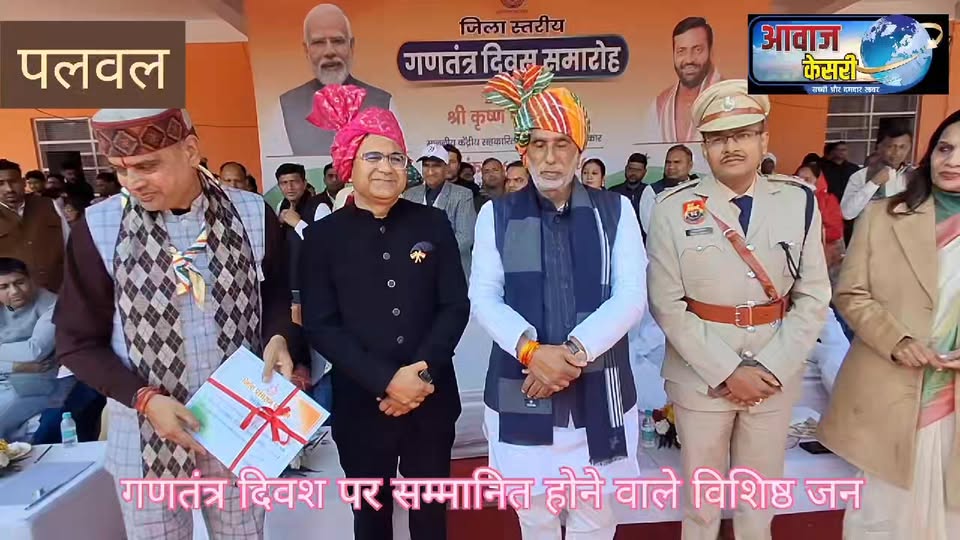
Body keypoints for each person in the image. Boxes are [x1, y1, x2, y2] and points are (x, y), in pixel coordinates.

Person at [55, 108, 297, 540]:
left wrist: (278, 336)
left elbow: (276, 291)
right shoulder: (100, 227)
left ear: (190, 150)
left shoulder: (250, 212)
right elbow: (76, 341)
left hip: (237, 429)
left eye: (147, 166)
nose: (133, 182)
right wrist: (146, 400)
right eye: (122, 169)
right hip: (147, 437)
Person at [646, 79, 831, 540]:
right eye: (718, 138)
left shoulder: (798, 202)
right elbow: (666, 303)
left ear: (763, 139)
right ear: (703, 147)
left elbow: (813, 295)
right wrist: (728, 371)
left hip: (774, 375)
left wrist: (771, 366)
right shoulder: (671, 208)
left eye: (743, 134)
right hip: (702, 379)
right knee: (702, 508)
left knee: (758, 506)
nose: (731, 146)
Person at [475, 65, 646, 539]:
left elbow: (631, 296)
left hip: (600, 389)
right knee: (535, 520)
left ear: (580, 149)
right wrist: (532, 352)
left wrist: (569, 355)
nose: (550, 158)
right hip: (520, 386)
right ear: (524, 151)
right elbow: (484, 296)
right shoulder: (496, 214)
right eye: (538, 145)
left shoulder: (616, 210)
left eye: (562, 144)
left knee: (595, 521)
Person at [301, 84, 469, 540]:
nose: (386, 167)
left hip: (431, 399)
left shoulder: (432, 223)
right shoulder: (322, 237)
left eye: (396, 157)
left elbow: (454, 305)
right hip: (361, 404)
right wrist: (386, 381)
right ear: (348, 164)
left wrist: (420, 375)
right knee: (371, 520)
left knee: (430, 519)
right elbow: (321, 325)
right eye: (372, 156)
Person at [819, 110, 960, 540]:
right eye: (945, 148)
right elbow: (850, 292)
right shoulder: (885, 215)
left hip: (951, 398)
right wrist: (896, 340)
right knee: (881, 518)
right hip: (891, 389)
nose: (952, 161)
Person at [279, 3, 393, 156]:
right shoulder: (285, 107)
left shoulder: (384, 103)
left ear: (351, 46)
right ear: (306, 50)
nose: (329, 51)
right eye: (319, 43)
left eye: (337, 41)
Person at [0, 258, 72, 439]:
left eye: (19, 282)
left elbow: (35, 351)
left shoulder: (53, 305)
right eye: (4, 287)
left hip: (35, 384)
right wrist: (15, 366)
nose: (14, 291)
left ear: (31, 279)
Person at [642, 16, 723, 145]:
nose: (689, 59)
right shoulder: (660, 106)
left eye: (697, 50)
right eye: (681, 51)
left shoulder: (729, 97)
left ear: (711, 51)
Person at [402, 144, 476, 277]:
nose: (430, 171)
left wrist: (430, 253)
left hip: (452, 271)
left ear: (446, 168)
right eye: (426, 165)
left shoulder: (463, 194)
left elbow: (465, 238)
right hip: (416, 270)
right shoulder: (410, 194)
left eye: (436, 166)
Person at [0, 159, 69, 292]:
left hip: (58, 289)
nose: (9, 189)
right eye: (0, 183)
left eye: (13, 182)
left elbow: (70, 244)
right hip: (13, 297)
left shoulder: (49, 205)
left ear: (23, 182)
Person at [841, 126, 914, 220]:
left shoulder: (915, 176)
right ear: (879, 147)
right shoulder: (861, 176)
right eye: (891, 146)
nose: (896, 152)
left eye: (902, 147)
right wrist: (873, 183)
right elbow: (846, 213)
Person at [638, 144, 696, 238]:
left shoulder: (699, 188)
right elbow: (649, 227)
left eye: (677, 162)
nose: (671, 166)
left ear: (690, 165)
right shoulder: (652, 191)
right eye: (668, 162)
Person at [610, 152, 648, 219]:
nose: (633, 173)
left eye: (638, 170)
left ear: (644, 172)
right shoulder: (613, 192)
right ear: (626, 168)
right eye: (631, 168)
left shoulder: (649, 193)